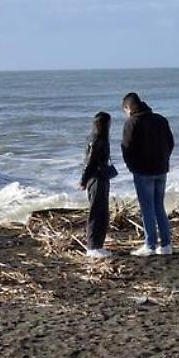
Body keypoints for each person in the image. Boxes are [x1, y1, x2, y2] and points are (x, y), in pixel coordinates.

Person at [120, 92, 175, 257]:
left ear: (128, 108)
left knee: (147, 208)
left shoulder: (132, 122)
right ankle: (166, 245)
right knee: (159, 206)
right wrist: (164, 159)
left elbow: (126, 147)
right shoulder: (160, 119)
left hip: (143, 171)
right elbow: (170, 143)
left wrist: (131, 166)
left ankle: (150, 244)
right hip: (161, 168)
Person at [79, 111, 115, 258]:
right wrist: (83, 180)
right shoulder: (97, 139)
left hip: (100, 178)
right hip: (97, 179)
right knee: (97, 212)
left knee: (102, 212)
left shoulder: (96, 138)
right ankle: (93, 247)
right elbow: (89, 162)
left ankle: (98, 246)